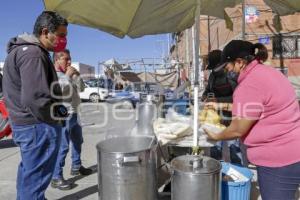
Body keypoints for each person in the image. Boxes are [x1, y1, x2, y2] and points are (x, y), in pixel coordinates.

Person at [204, 40, 300, 199]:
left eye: (228, 68)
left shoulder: (250, 84)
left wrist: (214, 135)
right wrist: (220, 105)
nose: (228, 73)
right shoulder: (268, 72)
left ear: (240, 62)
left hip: (278, 160)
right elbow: (254, 107)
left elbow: (237, 129)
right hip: (293, 150)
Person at [3, 11, 68, 200]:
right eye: (61, 35)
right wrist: (59, 114)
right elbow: (36, 98)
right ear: (45, 32)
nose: (64, 40)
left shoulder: (21, 51)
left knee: (30, 176)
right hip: (38, 126)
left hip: (26, 125)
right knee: (35, 181)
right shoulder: (33, 54)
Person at [51, 49, 92, 190]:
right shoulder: (53, 75)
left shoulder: (68, 74)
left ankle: (76, 165)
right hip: (64, 115)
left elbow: (81, 89)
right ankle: (56, 177)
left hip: (75, 113)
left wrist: (77, 76)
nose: (69, 62)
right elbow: (57, 91)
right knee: (62, 146)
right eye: (66, 59)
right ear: (57, 59)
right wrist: (68, 77)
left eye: (70, 59)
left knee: (78, 141)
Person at [202, 50, 243, 165]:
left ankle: (238, 171)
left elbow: (238, 98)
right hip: (216, 118)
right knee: (215, 148)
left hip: (232, 117)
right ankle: (218, 171)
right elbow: (208, 90)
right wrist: (204, 96)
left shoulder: (231, 75)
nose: (214, 70)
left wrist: (218, 100)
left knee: (233, 147)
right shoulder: (212, 76)